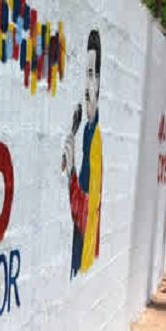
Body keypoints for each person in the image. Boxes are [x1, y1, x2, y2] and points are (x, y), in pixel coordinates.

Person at [62, 30, 103, 278]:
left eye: (93, 75)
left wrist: (71, 173)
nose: (88, 86)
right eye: (87, 75)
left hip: (82, 255)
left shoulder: (94, 140)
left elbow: (87, 214)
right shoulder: (87, 131)